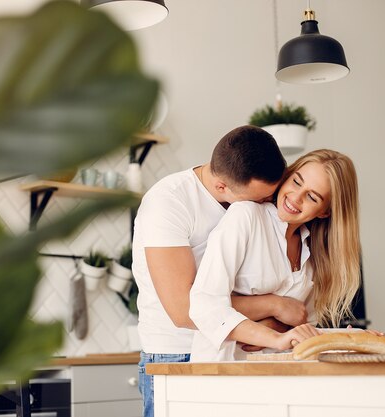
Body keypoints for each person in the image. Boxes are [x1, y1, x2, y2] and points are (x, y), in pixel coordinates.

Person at [132, 125, 306, 417]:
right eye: (259, 198)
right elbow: (186, 310)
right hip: (177, 355)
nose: (267, 204)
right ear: (223, 186)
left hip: (233, 347)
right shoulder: (168, 203)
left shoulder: (244, 200)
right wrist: (275, 307)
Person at [189, 149, 362, 361]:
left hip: (279, 377)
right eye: (297, 182)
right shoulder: (246, 217)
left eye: (312, 197)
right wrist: (273, 336)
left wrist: (350, 339)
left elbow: (302, 328)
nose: (295, 198)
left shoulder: (316, 253)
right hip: (224, 373)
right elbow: (204, 305)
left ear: (325, 211)